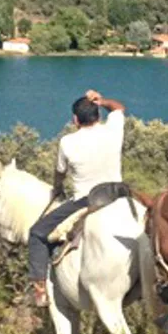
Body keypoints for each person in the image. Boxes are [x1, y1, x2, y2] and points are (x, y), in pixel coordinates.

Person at [25, 89, 127, 307]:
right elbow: (119, 108)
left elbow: (60, 172)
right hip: (120, 194)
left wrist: (57, 187)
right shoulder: (113, 129)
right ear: (98, 115)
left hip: (88, 200)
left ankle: (40, 289)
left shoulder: (68, 142)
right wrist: (103, 100)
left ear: (75, 120)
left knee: (37, 233)